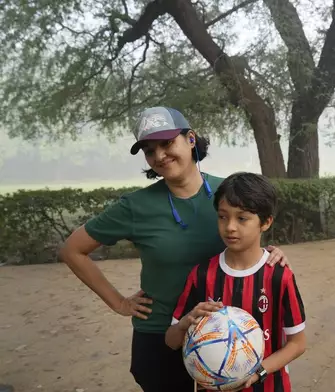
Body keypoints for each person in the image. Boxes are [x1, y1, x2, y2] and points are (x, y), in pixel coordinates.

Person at [58, 107, 290, 392]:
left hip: (227, 336)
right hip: (161, 335)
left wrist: (271, 253)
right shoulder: (134, 206)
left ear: (190, 139)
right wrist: (119, 303)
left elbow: (249, 237)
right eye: (149, 150)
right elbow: (73, 250)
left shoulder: (228, 193)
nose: (159, 156)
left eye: (167, 143)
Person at [166, 172, 306, 392]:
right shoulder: (202, 275)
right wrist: (185, 323)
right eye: (223, 216)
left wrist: (260, 370)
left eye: (242, 218)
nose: (230, 226)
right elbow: (171, 341)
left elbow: (298, 343)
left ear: (266, 222)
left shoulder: (279, 276)